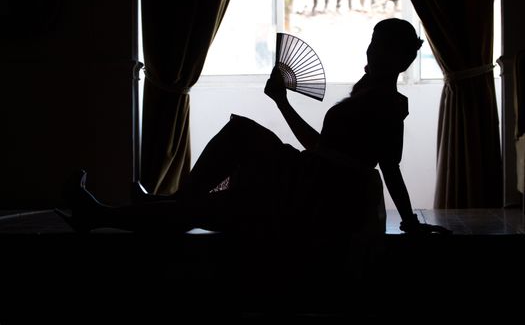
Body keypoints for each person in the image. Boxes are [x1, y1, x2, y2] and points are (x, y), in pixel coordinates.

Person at [56, 18, 451, 238]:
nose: (369, 51)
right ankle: (146, 205)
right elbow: (324, 148)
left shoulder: (390, 104)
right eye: (371, 42)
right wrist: (282, 103)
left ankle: (139, 207)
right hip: (314, 182)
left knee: (233, 151)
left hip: (319, 196)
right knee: (232, 150)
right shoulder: (369, 96)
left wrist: (411, 223)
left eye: (378, 45)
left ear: (398, 58)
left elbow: (387, 167)